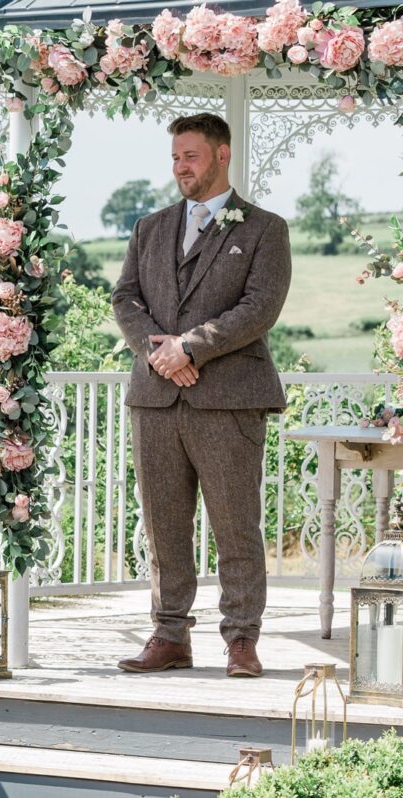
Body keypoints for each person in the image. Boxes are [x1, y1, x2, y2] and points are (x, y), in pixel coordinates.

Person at [113, 112, 291, 678]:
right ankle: (169, 635)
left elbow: (259, 308)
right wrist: (158, 351)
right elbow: (126, 300)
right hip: (156, 398)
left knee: (235, 523)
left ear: (222, 155)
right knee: (164, 524)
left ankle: (241, 639)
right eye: (174, 157)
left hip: (230, 400)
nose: (180, 167)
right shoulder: (150, 227)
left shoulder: (264, 228)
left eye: (190, 156)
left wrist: (191, 347)